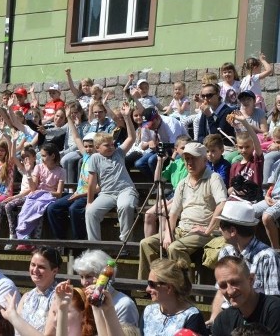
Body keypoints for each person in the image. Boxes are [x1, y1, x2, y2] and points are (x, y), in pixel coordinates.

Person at [138, 142, 227, 279]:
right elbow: (173, 213)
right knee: (146, 243)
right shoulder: (183, 183)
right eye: (187, 159)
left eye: (194, 158)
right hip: (182, 229)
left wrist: (208, 230)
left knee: (175, 247)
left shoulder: (213, 178)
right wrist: (168, 233)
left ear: (204, 160)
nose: (190, 162)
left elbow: (222, 204)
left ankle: (184, 290)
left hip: (203, 231)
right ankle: (152, 283)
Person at [209, 200, 280, 324]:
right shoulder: (225, 252)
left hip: (257, 325)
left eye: (221, 225)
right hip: (229, 320)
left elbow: (273, 302)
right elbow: (221, 293)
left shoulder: (267, 257)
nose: (219, 230)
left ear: (232, 231)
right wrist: (215, 320)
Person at [85, 102, 137, 242]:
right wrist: (89, 202)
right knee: (90, 212)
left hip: (125, 190)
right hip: (107, 193)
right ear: (97, 147)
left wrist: (127, 118)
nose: (111, 147)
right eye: (106, 145)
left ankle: (125, 242)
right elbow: (91, 183)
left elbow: (131, 138)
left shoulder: (118, 153)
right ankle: (95, 246)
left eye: (112, 144)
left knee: (126, 206)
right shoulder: (95, 158)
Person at [212, 256, 280, 335]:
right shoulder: (223, 320)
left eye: (234, 282)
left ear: (251, 280)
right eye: (223, 285)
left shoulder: (275, 310)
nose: (230, 291)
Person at [141, 258, 208, 335]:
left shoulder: (191, 316)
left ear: (169, 288)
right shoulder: (148, 311)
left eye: (152, 284)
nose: (147, 289)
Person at [73, 249, 139, 327]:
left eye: (89, 277)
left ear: (106, 276)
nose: (84, 283)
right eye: (81, 277)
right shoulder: (82, 300)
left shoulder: (124, 305)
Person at [136, 107, 188, 179]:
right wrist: (148, 143)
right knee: (139, 163)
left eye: (152, 124)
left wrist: (171, 162)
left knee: (151, 160)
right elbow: (142, 146)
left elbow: (176, 148)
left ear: (158, 118)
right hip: (160, 148)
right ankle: (156, 182)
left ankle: (165, 181)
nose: (149, 127)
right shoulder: (147, 126)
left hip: (177, 148)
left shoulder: (171, 123)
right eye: (147, 125)